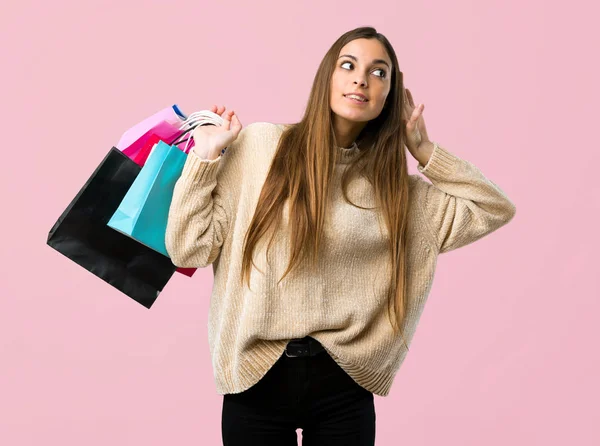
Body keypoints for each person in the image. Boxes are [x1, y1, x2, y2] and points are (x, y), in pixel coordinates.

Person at [165, 26, 516, 446]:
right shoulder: (260, 146)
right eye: (347, 65)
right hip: (253, 379)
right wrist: (206, 156)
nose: (361, 79)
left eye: (378, 72)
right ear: (326, 79)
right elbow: (187, 247)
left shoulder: (400, 194)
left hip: (343, 387)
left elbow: (494, 207)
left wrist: (424, 151)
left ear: (391, 95)